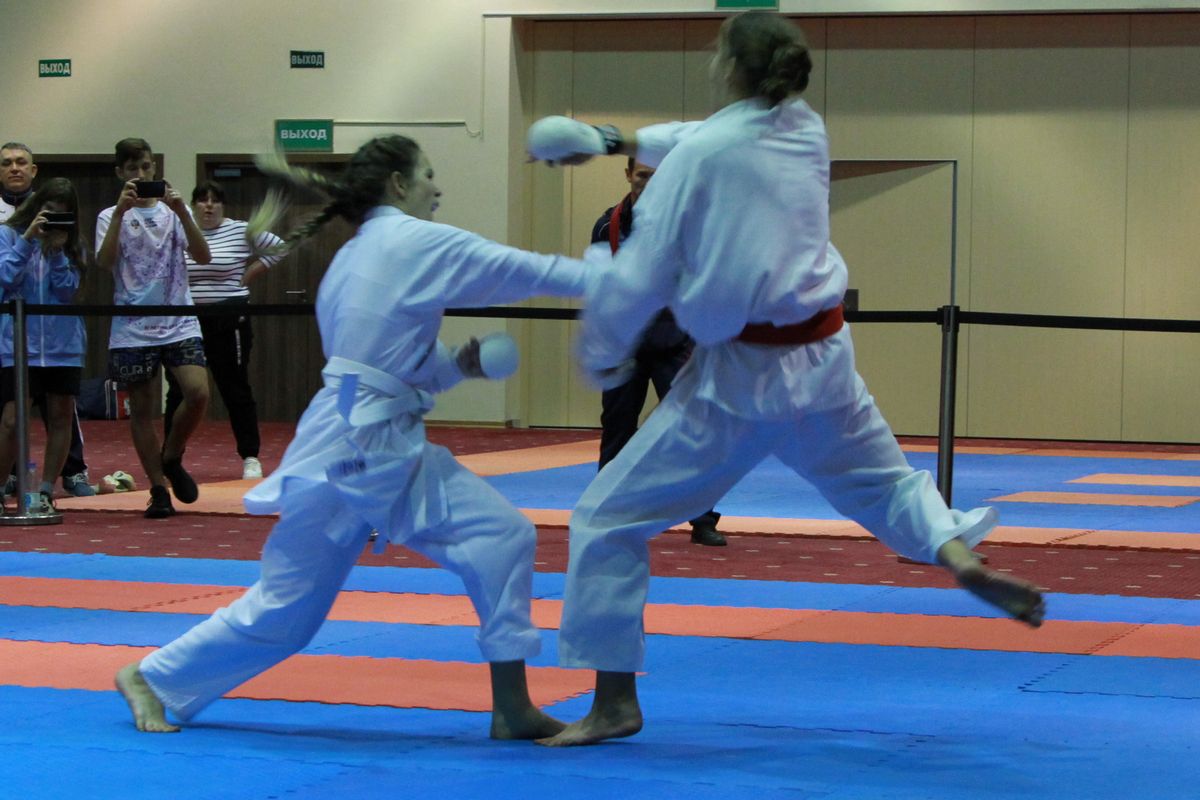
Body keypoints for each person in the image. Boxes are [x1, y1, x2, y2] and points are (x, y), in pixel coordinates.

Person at [526, 10, 1046, 747]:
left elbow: (639, 275)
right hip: (826, 360)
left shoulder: (696, 164)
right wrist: (612, 141)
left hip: (738, 381)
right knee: (882, 482)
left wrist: (600, 354)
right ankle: (957, 554)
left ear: (728, 67)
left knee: (606, 521)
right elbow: (700, 136)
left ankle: (613, 703)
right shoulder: (805, 127)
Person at [114, 134, 588, 738]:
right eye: (428, 175)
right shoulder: (413, 239)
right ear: (398, 184)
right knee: (500, 535)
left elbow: (376, 365)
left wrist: (457, 365)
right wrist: (635, 277)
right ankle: (512, 706)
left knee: (290, 608)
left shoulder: (356, 255)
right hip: (367, 444)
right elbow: (532, 272)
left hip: (344, 438)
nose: (437, 189)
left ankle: (151, 676)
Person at [592, 158, 724, 546]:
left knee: (690, 430)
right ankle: (608, 511)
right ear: (628, 175)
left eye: (657, 176)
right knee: (617, 426)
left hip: (676, 341)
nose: (649, 183)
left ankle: (702, 517)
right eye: (643, 175)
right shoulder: (607, 226)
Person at [96, 138, 211, 519]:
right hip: (133, 325)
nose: (141, 174)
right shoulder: (108, 215)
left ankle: (172, 454)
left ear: (155, 168)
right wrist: (120, 213)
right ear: (120, 173)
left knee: (198, 392)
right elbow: (104, 262)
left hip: (178, 319)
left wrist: (182, 212)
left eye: (146, 167)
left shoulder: (174, 212)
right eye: (133, 169)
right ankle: (158, 489)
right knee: (142, 410)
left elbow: (203, 255)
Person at [163, 180, 285, 480]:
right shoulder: (181, 228)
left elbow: (281, 247)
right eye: (202, 200)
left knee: (235, 387)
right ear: (193, 204)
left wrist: (251, 272)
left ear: (223, 206)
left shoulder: (240, 230)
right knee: (179, 390)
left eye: (215, 200)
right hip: (187, 320)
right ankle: (170, 456)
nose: (209, 206)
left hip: (229, 317)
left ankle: (250, 456)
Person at [1, 141, 94, 498]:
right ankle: (0, 488)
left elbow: (68, 291)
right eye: (48, 211)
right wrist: (28, 239)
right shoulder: (9, 233)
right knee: (12, 421)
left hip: (62, 345)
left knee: (59, 419)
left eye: (61, 213)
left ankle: (44, 491)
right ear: (37, 206)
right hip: (18, 345)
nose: (53, 218)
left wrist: (56, 251)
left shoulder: (73, 243)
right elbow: (5, 279)